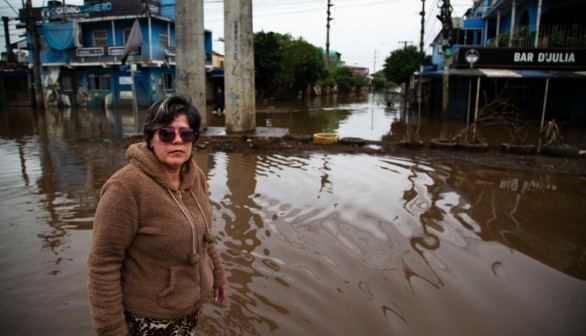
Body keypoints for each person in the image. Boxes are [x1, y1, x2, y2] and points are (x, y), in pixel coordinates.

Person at [87, 94, 227, 336]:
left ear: (194, 139)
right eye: (166, 133)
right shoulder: (126, 188)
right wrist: (111, 330)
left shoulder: (195, 177)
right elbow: (103, 265)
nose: (177, 141)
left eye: (186, 134)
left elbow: (205, 235)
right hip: (147, 318)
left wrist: (218, 275)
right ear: (151, 138)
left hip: (188, 307)